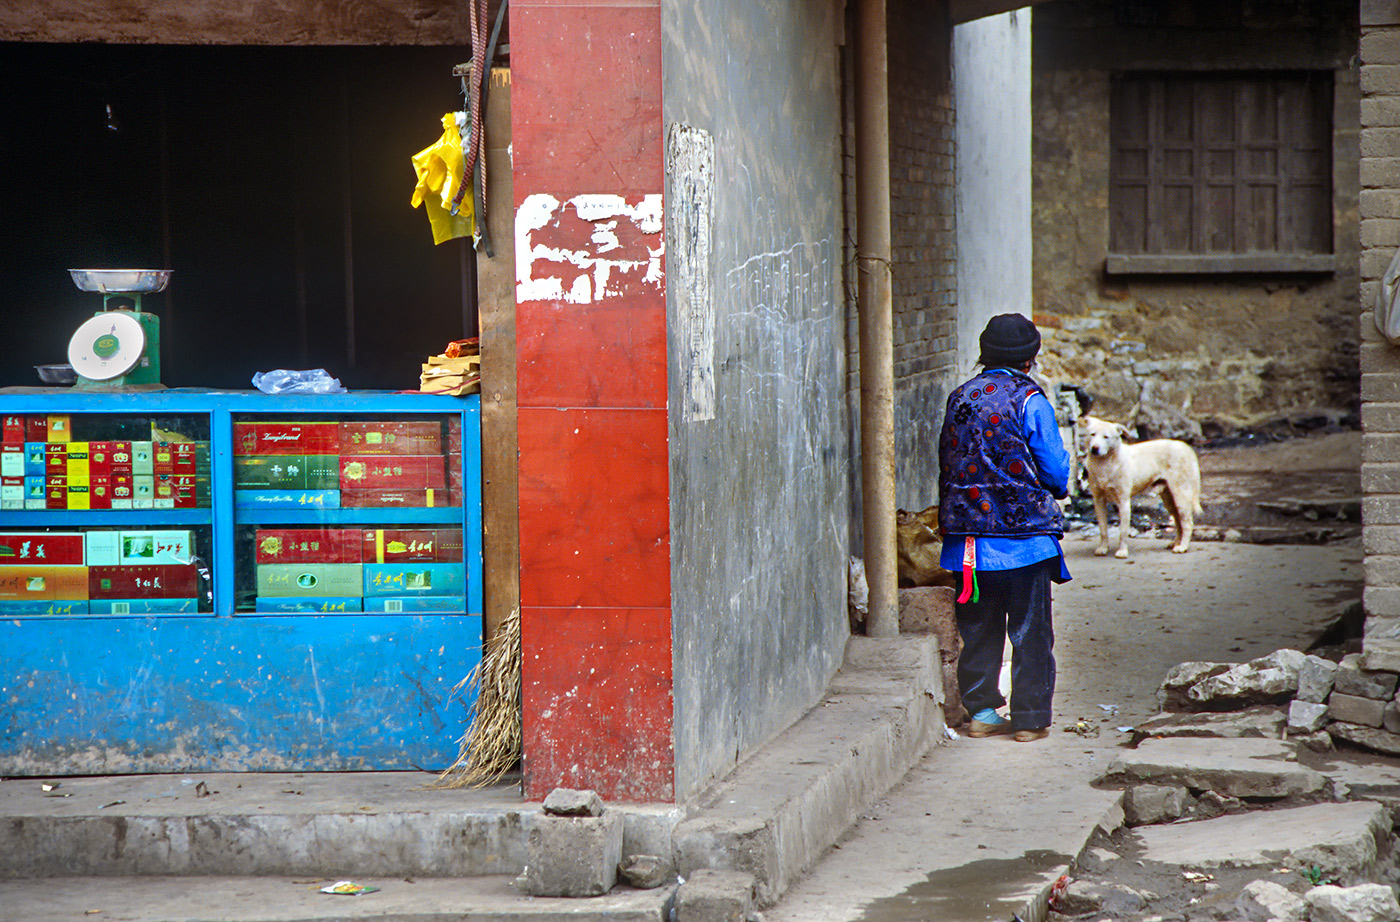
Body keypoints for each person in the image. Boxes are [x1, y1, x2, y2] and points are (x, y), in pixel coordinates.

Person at [937, 313, 1071, 743]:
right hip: (1024, 545)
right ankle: (1029, 720)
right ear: (1030, 358)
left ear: (985, 353)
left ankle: (982, 715)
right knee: (1031, 633)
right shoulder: (1031, 401)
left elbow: (947, 461)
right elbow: (1054, 471)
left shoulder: (959, 398)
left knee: (978, 631)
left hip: (968, 547)